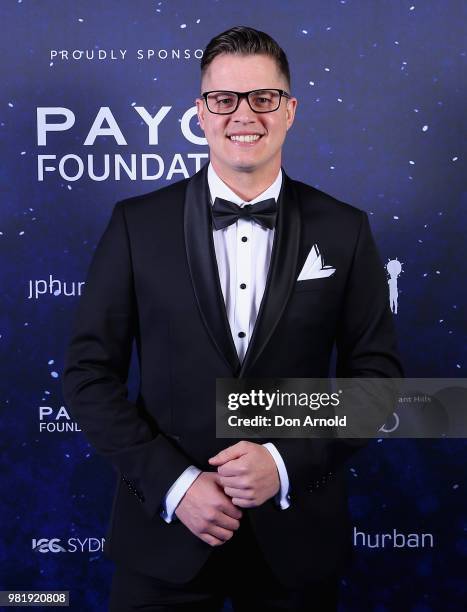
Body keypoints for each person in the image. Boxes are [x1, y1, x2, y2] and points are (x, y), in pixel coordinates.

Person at [63, 26, 403, 611]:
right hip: (164, 539)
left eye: (263, 98)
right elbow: (89, 375)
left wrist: (282, 461)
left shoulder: (345, 229)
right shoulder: (135, 224)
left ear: (290, 110)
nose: (243, 115)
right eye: (224, 99)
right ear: (200, 112)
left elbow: (379, 381)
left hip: (295, 544)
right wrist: (177, 484)